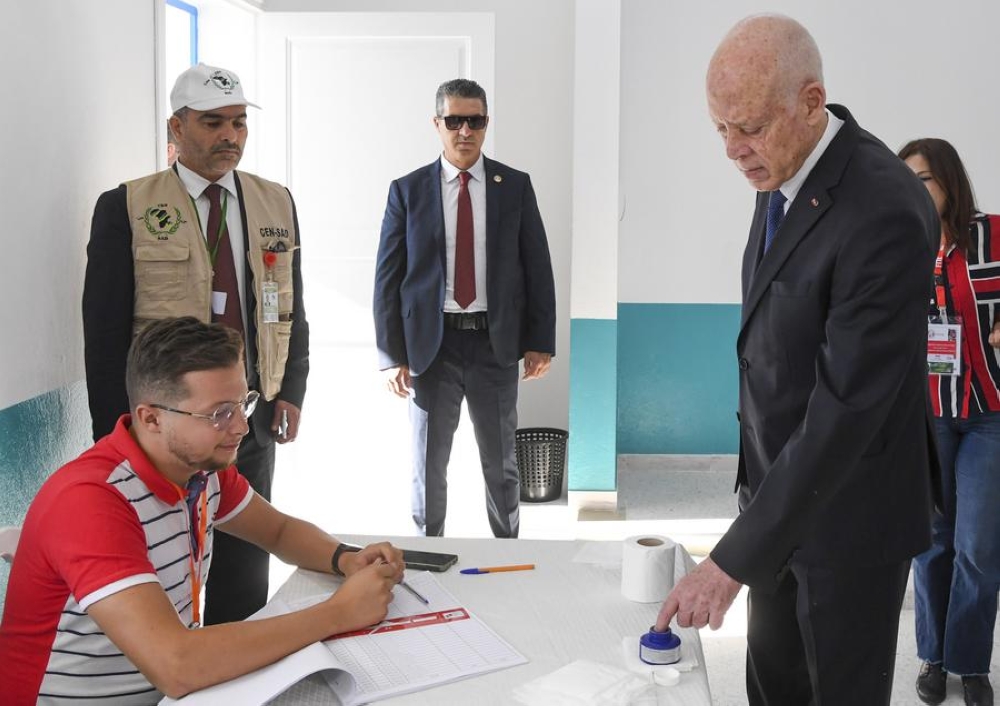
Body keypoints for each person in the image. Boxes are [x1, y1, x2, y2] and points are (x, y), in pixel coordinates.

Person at [655, 14, 940, 705]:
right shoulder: (781, 169)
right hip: (778, 505)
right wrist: (755, 530)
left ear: (810, 103)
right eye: (719, 127)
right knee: (774, 687)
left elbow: (847, 409)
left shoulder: (883, 208)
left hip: (849, 524)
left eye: (747, 127)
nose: (732, 149)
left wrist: (728, 561)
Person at [0, 317, 402, 705]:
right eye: (219, 414)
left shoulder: (201, 469)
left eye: (243, 404)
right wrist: (338, 613)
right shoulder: (91, 500)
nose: (241, 428)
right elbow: (177, 665)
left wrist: (345, 558)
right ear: (151, 418)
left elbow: (277, 532)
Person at [83, 62, 309, 624]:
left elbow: (290, 306)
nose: (229, 136)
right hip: (162, 427)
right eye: (212, 122)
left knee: (244, 565)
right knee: (160, 568)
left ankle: (235, 672)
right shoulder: (129, 206)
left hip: (246, 419)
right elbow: (104, 329)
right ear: (176, 128)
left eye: (238, 123)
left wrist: (291, 389)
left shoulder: (274, 201)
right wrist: (113, 429)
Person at [373, 78, 556, 538]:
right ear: (437, 124)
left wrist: (540, 342)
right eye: (454, 120)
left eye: (474, 121)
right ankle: (427, 550)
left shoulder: (513, 186)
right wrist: (391, 355)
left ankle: (507, 546)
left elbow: (537, 265)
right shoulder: (408, 191)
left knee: (501, 463)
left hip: (494, 346)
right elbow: (387, 278)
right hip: (431, 350)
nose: (464, 131)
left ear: (486, 124)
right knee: (428, 463)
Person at [899, 137, 1000, 706]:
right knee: (931, 541)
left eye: (924, 179)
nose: (914, 190)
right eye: (904, 179)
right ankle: (933, 658)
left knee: (979, 548)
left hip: (991, 413)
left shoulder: (994, 234)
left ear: (950, 181)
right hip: (928, 411)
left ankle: (970, 662)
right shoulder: (895, 243)